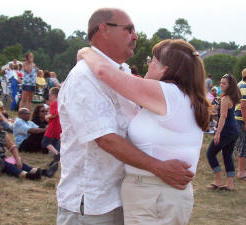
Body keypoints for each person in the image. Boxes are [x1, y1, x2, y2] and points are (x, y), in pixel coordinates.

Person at [57, 8, 196, 225]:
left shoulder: (123, 74)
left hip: (123, 197)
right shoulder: (84, 77)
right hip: (93, 201)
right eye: (129, 29)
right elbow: (105, 138)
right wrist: (158, 167)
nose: (135, 36)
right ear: (104, 29)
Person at [79, 38, 211, 224]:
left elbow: (104, 72)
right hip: (157, 194)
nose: (148, 64)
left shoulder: (168, 93)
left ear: (165, 69)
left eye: (152, 61)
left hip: (155, 194)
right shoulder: (180, 97)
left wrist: (86, 51)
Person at [206, 74, 241, 191]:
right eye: (220, 83)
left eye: (224, 83)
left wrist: (217, 133)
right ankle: (230, 184)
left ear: (230, 85)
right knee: (227, 156)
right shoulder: (230, 97)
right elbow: (224, 114)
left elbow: (223, 117)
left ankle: (218, 181)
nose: (221, 85)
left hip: (226, 130)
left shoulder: (225, 99)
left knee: (210, 153)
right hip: (234, 130)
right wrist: (212, 113)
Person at [0, 114, 41, 180]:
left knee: (14, 162)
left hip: (1, 158)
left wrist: (17, 159)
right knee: (6, 164)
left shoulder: (2, 133)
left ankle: (37, 171)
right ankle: (25, 175)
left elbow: (12, 147)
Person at [41, 87, 61, 161]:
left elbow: (55, 114)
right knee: (56, 140)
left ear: (54, 95)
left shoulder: (54, 104)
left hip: (53, 125)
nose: (49, 97)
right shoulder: (60, 102)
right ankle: (58, 153)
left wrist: (47, 116)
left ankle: (56, 154)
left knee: (45, 141)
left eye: (50, 95)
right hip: (58, 125)